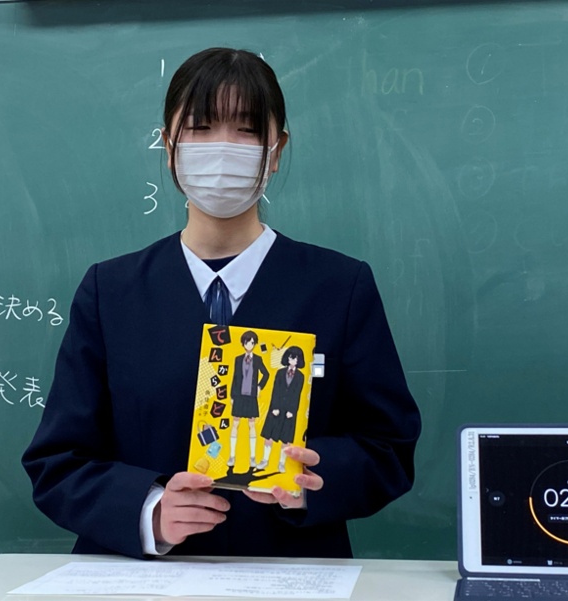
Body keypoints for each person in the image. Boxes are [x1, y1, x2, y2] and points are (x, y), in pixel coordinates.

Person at [22, 47, 421, 560]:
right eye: (201, 127)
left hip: (290, 574)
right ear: (169, 146)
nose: (223, 147)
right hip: (142, 582)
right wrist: (149, 511)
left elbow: (388, 448)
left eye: (247, 130)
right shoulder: (110, 291)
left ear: (276, 150)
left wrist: (309, 481)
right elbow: (58, 460)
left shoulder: (340, 287)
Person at [259, 346, 305, 473]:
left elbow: (297, 395)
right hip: (275, 408)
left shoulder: (300, 376)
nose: (293, 360)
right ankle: (265, 460)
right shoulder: (279, 373)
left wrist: (292, 411)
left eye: (296, 358)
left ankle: (282, 463)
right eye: (291, 357)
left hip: (290, 411)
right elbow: (275, 391)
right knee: (269, 436)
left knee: (286, 439)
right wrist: (275, 407)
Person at [228, 330, 270, 470]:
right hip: (239, 396)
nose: (249, 345)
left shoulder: (257, 359)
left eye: (252, 342)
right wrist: (232, 396)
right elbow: (235, 377)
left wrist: (259, 387)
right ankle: (232, 456)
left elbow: (266, 374)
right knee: (235, 424)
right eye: (247, 342)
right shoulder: (238, 359)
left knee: (252, 425)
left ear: (255, 344)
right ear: (243, 343)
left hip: (251, 396)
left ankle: (252, 457)